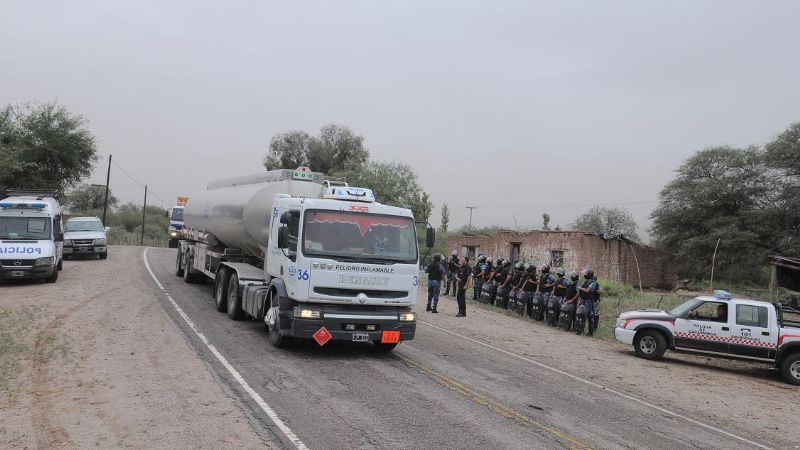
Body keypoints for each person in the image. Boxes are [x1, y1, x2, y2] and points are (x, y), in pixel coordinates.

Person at [576, 268, 600, 336]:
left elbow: (587, 290)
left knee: (590, 315)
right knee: (580, 314)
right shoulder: (584, 281)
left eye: (585, 274)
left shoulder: (593, 283)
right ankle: (579, 330)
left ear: (588, 275)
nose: (584, 275)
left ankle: (590, 332)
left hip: (588, 301)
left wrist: (580, 288)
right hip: (583, 300)